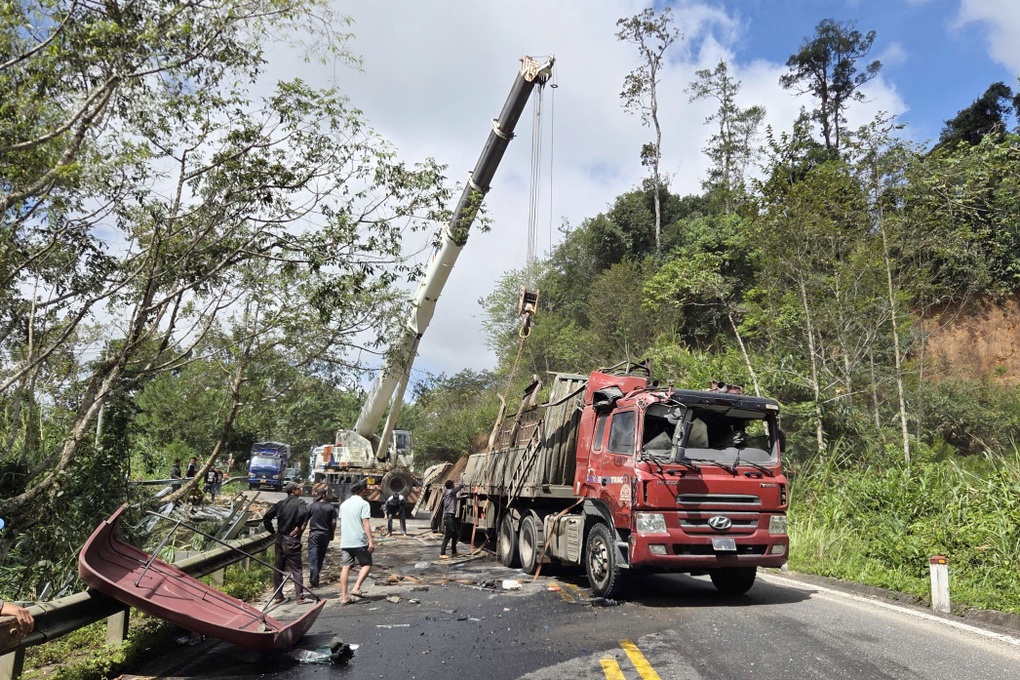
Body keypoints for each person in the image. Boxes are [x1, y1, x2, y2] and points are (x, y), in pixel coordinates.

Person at [263, 481, 312, 604]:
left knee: (278, 568)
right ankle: (300, 597)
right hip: (291, 539)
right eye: (299, 489)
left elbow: (267, 516)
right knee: (296, 569)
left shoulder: (280, 503)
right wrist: (297, 527)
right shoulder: (300, 502)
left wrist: (272, 530)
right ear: (294, 491)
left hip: (280, 538)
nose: (301, 490)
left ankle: (278, 596)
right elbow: (304, 513)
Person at [337, 479, 374, 605]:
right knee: (367, 563)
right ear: (362, 490)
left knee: (346, 567)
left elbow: (342, 522)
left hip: (345, 541)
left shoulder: (343, 504)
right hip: (359, 540)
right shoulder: (364, 504)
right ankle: (356, 587)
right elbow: (366, 523)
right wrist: (370, 540)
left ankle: (344, 597)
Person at [306, 488, 337, 588]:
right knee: (320, 556)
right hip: (325, 535)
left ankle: (314, 579)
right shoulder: (331, 507)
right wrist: (332, 534)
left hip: (314, 534)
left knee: (313, 557)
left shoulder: (312, 506)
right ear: (324, 495)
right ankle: (315, 577)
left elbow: (304, 521)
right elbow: (334, 522)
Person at [439, 477, 465, 559]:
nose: (454, 485)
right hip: (448, 515)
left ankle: (454, 552)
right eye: (453, 484)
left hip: (451, 515)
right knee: (449, 533)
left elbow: (454, 499)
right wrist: (461, 477)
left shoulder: (449, 493)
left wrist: (462, 497)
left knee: (455, 534)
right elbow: (460, 486)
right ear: (451, 486)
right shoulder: (451, 492)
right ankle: (442, 552)